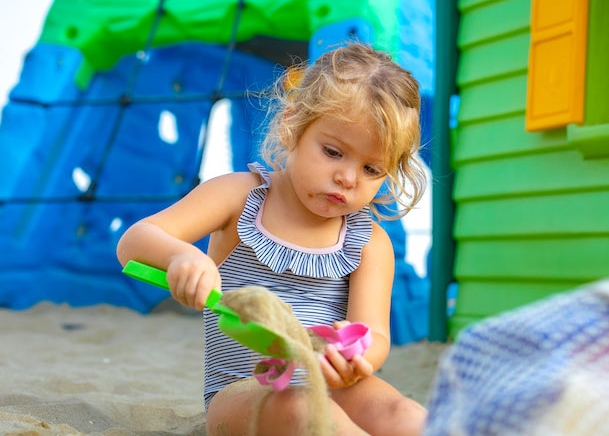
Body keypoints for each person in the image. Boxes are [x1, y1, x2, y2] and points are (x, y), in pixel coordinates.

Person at [116, 42, 428, 435]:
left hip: (334, 384)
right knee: (303, 410)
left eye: (371, 169)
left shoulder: (368, 243)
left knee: (407, 415)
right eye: (333, 152)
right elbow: (135, 241)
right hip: (246, 390)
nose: (348, 178)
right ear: (292, 125)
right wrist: (182, 257)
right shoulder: (239, 196)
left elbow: (374, 333)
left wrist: (354, 357)